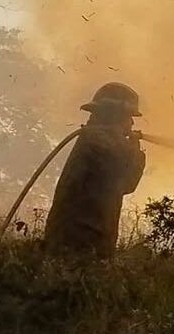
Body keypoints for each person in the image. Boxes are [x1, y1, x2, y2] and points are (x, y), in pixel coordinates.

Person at [43, 82, 146, 259]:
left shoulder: (92, 139)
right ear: (115, 117)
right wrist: (134, 147)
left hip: (84, 238)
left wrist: (132, 147)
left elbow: (124, 184)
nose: (131, 123)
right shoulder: (98, 142)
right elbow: (127, 181)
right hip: (83, 241)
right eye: (128, 118)